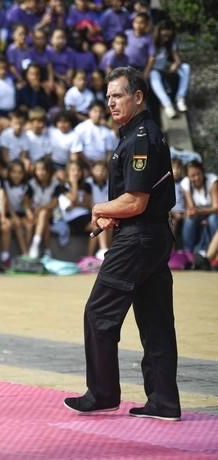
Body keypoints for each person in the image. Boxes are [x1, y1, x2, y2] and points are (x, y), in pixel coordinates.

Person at [64, 67, 180, 422]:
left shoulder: (140, 138)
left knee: (99, 313)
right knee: (156, 319)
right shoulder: (136, 134)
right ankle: (163, 401)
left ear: (139, 96)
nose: (111, 102)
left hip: (138, 239)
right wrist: (117, 214)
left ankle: (102, 393)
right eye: (108, 97)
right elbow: (137, 201)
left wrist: (100, 208)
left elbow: (136, 201)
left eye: (118, 95)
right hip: (153, 235)